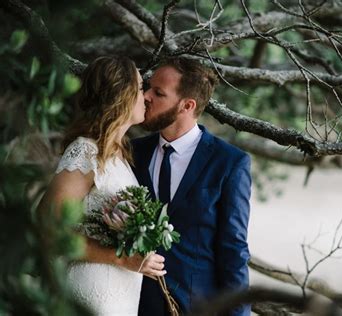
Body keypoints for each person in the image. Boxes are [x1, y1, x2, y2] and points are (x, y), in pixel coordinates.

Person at [38, 56, 167, 315]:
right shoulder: (85, 151)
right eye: (141, 87)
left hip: (120, 297)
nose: (146, 97)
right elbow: (47, 227)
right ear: (122, 93)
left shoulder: (120, 156)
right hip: (91, 293)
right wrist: (122, 258)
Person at [132, 57, 251, 316]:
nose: (146, 96)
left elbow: (234, 250)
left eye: (158, 92)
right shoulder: (132, 153)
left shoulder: (230, 163)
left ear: (187, 105)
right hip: (133, 304)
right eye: (148, 88)